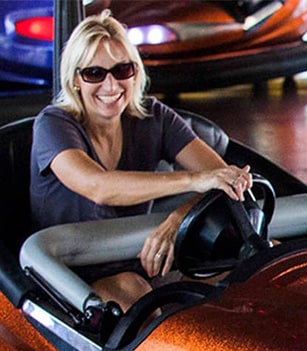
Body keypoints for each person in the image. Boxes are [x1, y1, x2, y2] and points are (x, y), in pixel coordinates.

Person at [30, 10, 253, 313]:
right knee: (133, 292)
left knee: (254, 267)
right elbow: (98, 187)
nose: (111, 86)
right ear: (75, 80)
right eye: (94, 73)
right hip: (70, 272)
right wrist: (194, 180)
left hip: (141, 261)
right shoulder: (53, 125)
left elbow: (222, 179)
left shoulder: (153, 117)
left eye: (122, 70)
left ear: (136, 73)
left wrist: (178, 220)